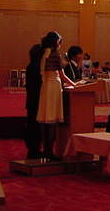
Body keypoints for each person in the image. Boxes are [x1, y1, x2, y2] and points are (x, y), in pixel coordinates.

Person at [37, 31, 76, 160]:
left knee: (45, 119)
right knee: (52, 120)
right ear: (55, 42)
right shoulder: (55, 55)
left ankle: (46, 149)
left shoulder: (43, 53)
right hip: (54, 87)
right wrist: (75, 85)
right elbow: (63, 76)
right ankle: (50, 152)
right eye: (59, 41)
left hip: (45, 87)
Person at [24, 43, 43, 159]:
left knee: (32, 125)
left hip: (31, 100)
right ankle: (34, 149)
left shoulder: (31, 65)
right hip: (37, 100)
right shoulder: (37, 67)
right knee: (35, 127)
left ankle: (33, 149)